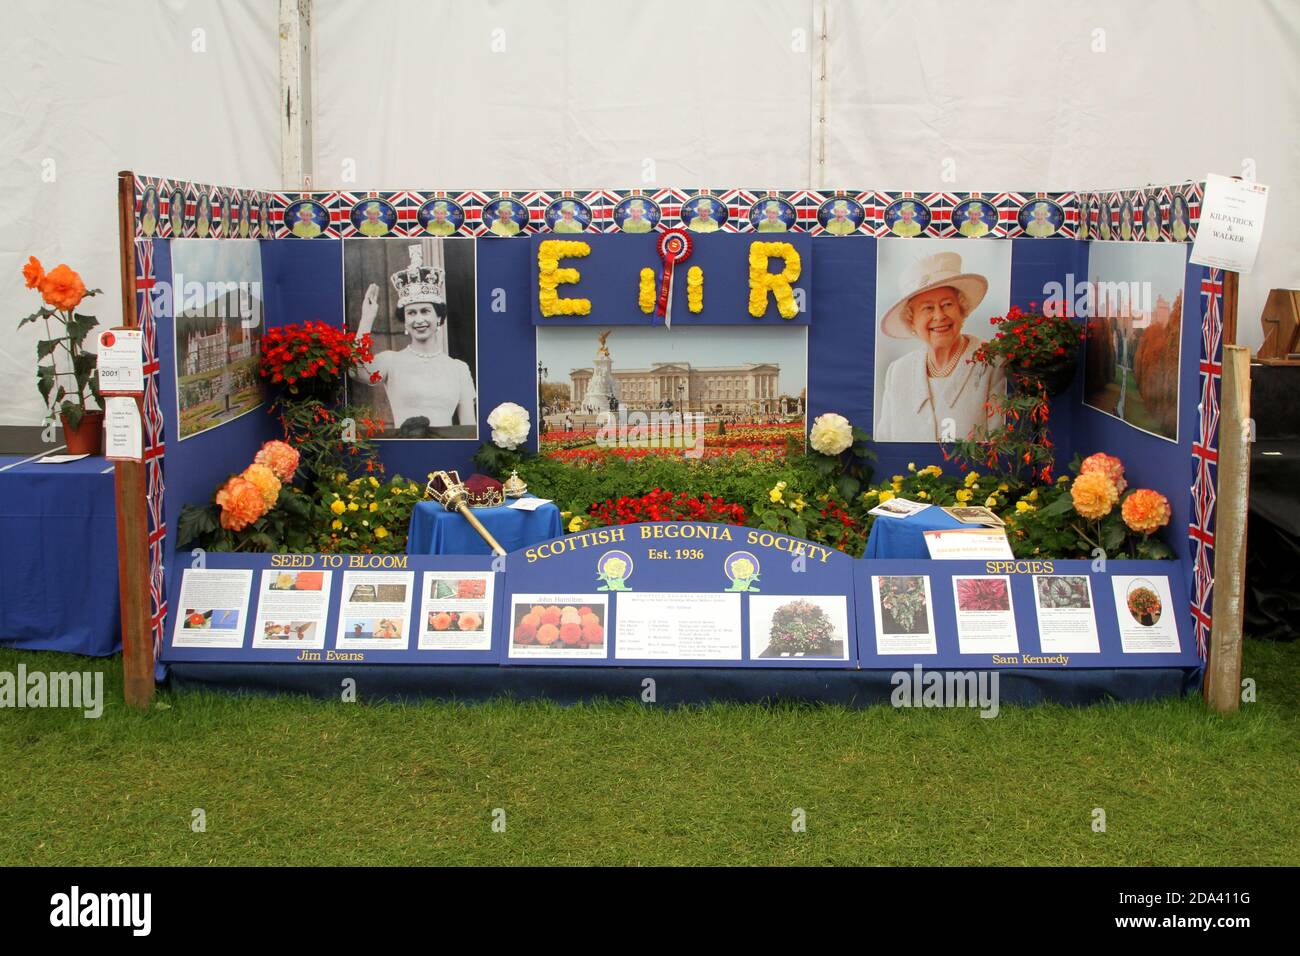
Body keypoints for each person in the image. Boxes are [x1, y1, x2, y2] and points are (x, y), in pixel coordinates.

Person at [875, 251, 1006, 442]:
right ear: (912, 321)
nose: (939, 316)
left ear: (962, 310)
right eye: (927, 308)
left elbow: (1000, 444)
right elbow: (885, 441)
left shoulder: (991, 362)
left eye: (947, 304)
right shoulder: (898, 372)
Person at [352, 245, 476, 434]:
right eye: (411, 313)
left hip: (446, 453)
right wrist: (367, 319)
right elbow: (356, 372)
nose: (418, 320)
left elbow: (469, 428)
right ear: (405, 321)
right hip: (404, 448)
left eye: (425, 311)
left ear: (439, 318)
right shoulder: (390, 361)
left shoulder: (459, 369)